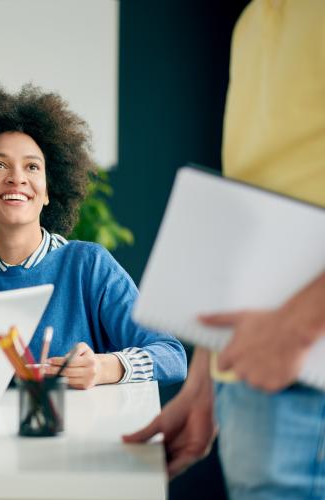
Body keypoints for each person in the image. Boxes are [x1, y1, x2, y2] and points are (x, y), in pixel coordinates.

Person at [123, 1, 325, 498]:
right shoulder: (258, 18)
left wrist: (299, 325)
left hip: (306, 363)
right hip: (257, 364)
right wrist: (207, 375)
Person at [0, 84, 187, 388]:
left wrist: (104, 367)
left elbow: (171, 354)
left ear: (48, 192)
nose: (17, 177)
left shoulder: (89, 264)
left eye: (32, 166)